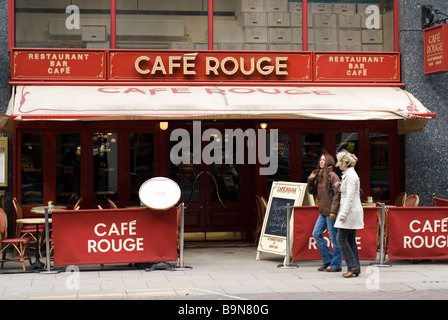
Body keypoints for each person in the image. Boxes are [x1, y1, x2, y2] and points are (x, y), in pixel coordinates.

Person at [307, 153, 342, 272]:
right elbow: (311, 192)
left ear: (329, 162)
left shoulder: (332, 176)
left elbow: (338, 194)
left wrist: (333, 211)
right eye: (320, 160)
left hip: (331, 212)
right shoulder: (319, 176)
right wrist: (310, 180)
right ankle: (327, 259)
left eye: (323, 160)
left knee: (334, 238)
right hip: (323, 211)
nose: (321, 162)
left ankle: (336, 264)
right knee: (316, 233)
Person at [334, 150, 364, 278]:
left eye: (339, 162)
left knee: (341, 239)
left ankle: (353, 266)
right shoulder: (349, 175)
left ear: (345, 163)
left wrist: (343, 214)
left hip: (350, 212)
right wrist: (340, 185)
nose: (337, 164)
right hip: (351, 211)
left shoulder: (351, 176)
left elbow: (350, 196)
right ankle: (355, 268)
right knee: (351, 240)